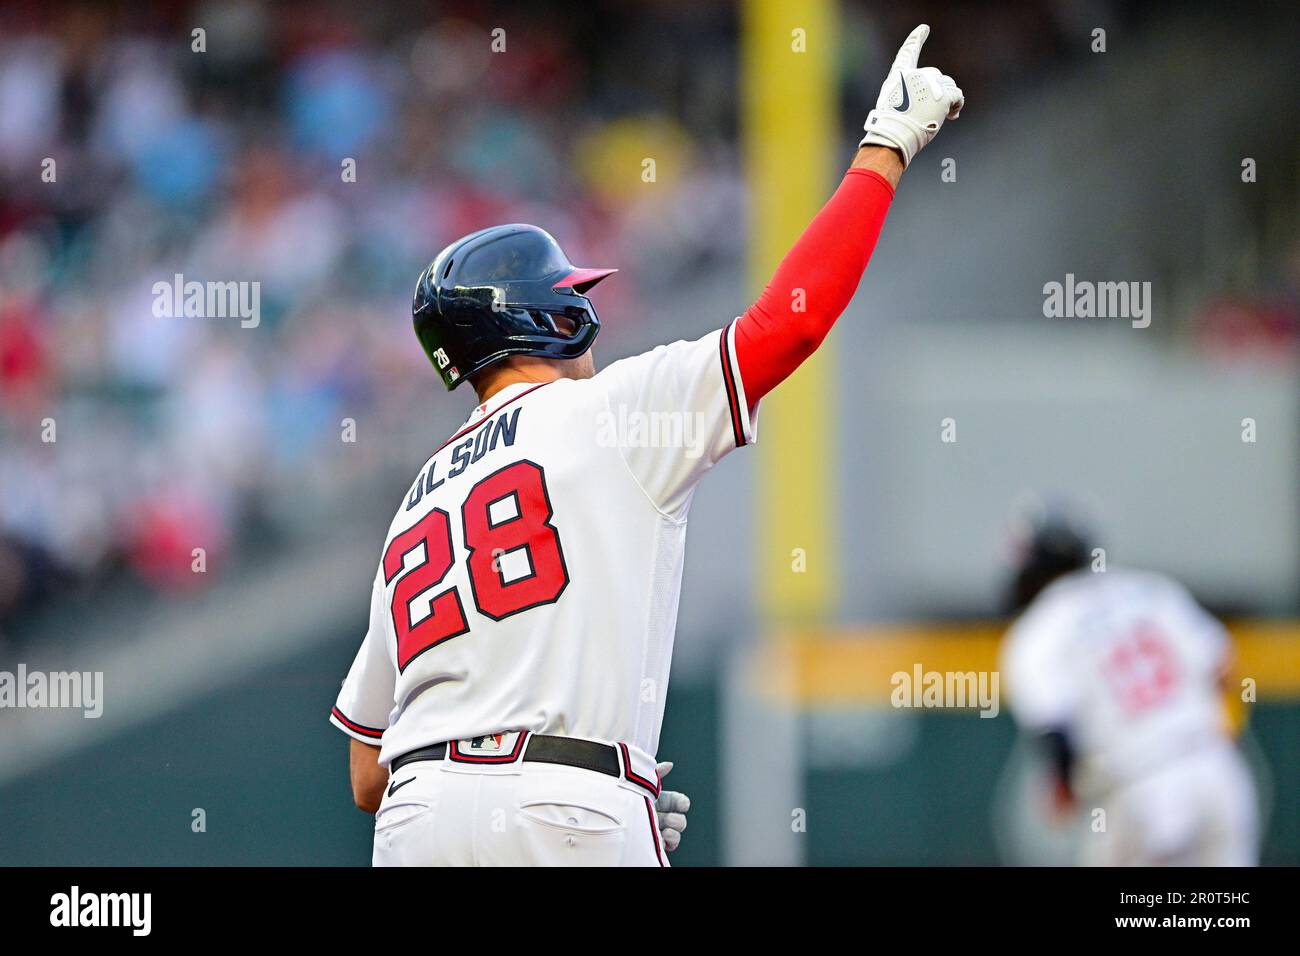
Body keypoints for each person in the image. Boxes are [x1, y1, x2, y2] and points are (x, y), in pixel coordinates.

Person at [330, 25, 963, 865]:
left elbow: (365, 773)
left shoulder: (414, 506)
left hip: (416, 822)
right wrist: (884, 150)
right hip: (569, 803)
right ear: (552, 319)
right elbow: (790, 324)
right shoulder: (610, 413)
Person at [1000, 507, 1259, 866]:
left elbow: (1054, 728)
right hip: (1216, 771)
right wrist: (1221, 730)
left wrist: (1062, 785)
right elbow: (1224, 666)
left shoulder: (1040, 629)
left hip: (1139, 787)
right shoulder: (1148, 589)